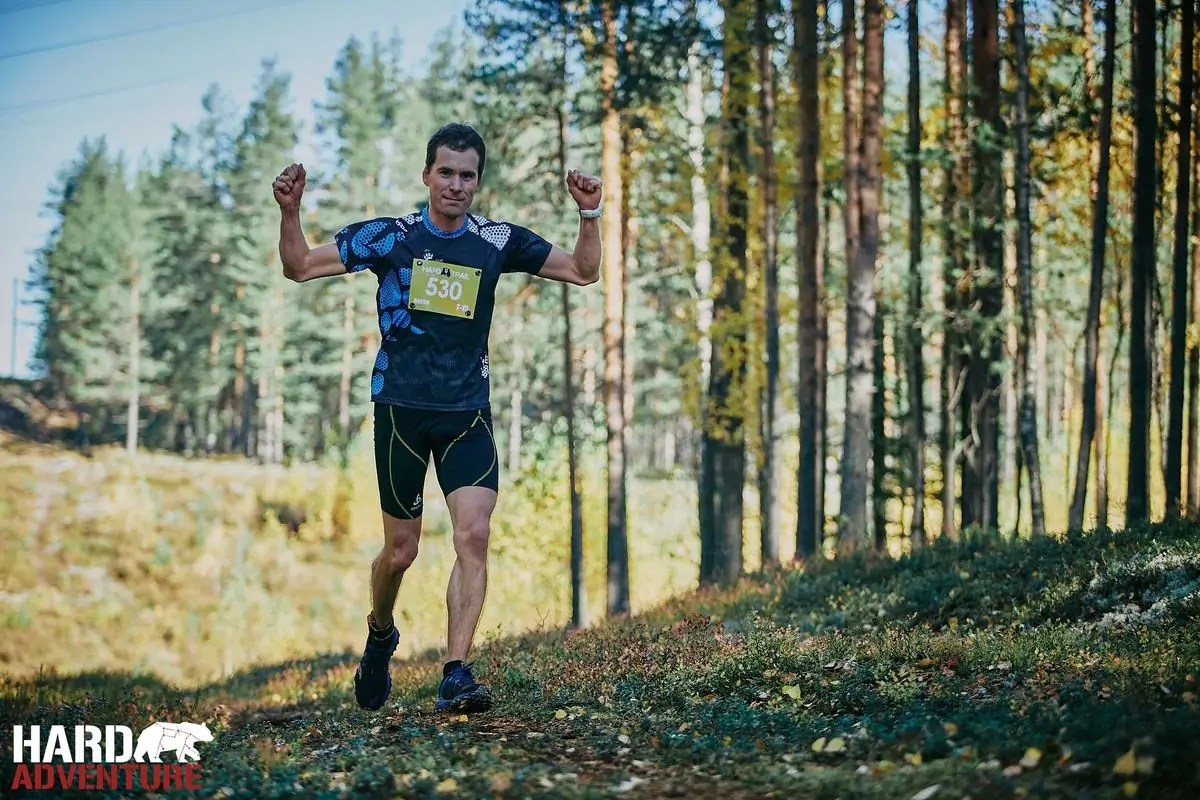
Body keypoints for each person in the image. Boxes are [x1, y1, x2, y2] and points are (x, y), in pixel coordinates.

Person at [272, 122, 602, 714]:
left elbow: (583, 270)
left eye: (467, 175)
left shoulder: (496, 240)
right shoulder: (390, 237)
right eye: (445, 172)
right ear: (426, 175)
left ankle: (456, 672)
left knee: (474, 534)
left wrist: (589, 214)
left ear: (478, 182)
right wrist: (291, 211)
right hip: (401, 414)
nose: (456, 185)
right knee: (401, 552)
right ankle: (380, 634)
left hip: (466, 415)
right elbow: (298, 265)